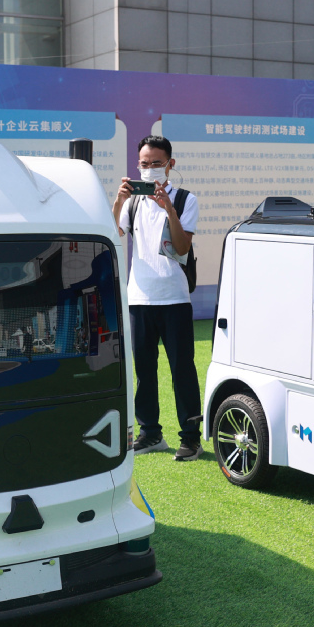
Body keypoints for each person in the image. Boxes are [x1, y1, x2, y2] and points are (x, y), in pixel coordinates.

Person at [114, 135, 202, 461]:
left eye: (156, 163)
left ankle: (191, 438)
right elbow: (114, 232)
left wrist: (169, 210)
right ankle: (150, 433)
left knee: (182, 370)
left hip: (174, 298)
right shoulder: (133, 202)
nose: (149, 169)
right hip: (139, 298)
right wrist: (118, 201)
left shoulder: (185, 199)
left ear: (170, 164)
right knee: (144, 372)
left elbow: (182, 247)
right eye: (144, 164)